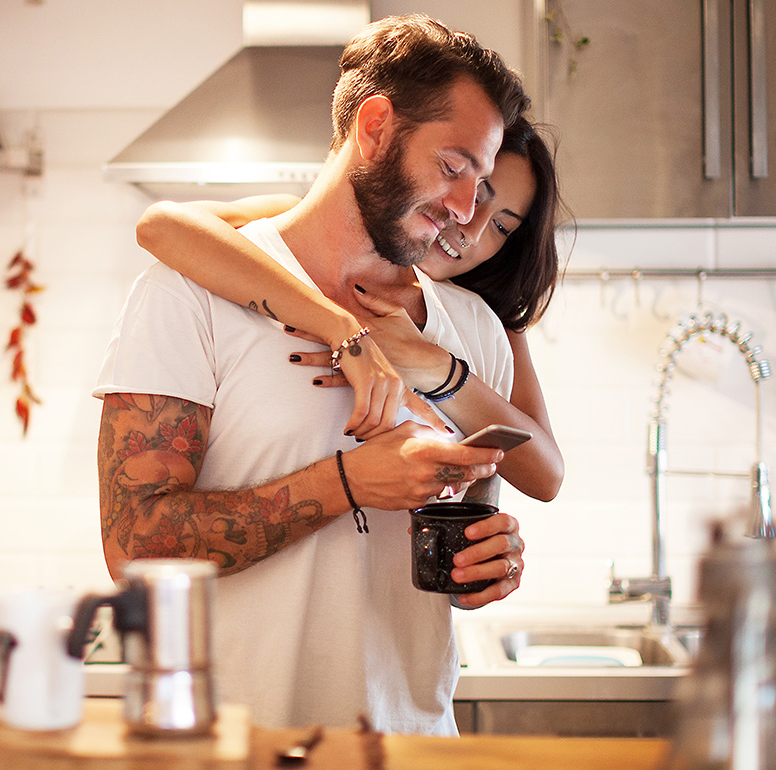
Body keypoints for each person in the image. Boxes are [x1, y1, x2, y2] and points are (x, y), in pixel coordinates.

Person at [94, 15, 529, 734]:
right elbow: (133, 545)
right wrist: (349, 481)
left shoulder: (471, 329)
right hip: (233, 745)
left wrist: (492, 561)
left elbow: (467, 528)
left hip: (410, 744)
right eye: (453, 167)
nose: (463, 209)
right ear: (376, 126)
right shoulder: (186, 294)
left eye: (478, 181)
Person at [135, 118, 566, 503]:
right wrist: (339, 325)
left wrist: (434, 367)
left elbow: (545, 476)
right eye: (465, 183)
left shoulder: (484, 320)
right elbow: (162, 226)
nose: (471, 225)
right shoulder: (297, 223)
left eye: (502, 226)